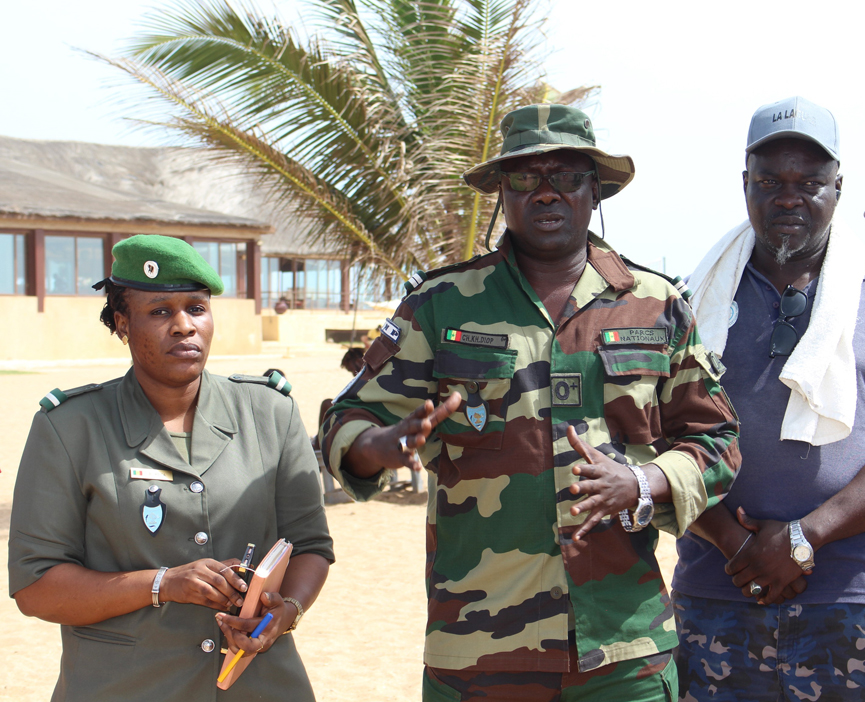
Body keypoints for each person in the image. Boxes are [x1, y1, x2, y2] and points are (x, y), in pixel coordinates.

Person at [320, 104, 741, 702]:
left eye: (566, 176)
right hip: (478, 645)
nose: (546, 192)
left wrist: (642, 482)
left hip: (625, 647)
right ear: (502, 192)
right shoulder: (440, 304)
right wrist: (379, 445)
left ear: (595, 190)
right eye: (524, 177)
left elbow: (717, 440)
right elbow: (346, 419)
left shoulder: (657, 304)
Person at [675, 97, 865, 701]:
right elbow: (654, 433)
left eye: (809, 183)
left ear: (839, 188)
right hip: (717, 595)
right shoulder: (686, 302)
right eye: (770, 181)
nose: (788, 198)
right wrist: (735, 544)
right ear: (745, 184)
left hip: (855, 601)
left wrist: (806, 536)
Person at [8, 235, 334, 702]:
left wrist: (286, 612)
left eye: (197, 309)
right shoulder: (70, 427)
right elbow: (35, 585)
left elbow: (310, 545)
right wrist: (163, 584)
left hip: (258, 685)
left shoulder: (269, 412)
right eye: (160, 312)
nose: (184, 326)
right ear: (123, 323)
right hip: (126, 687)